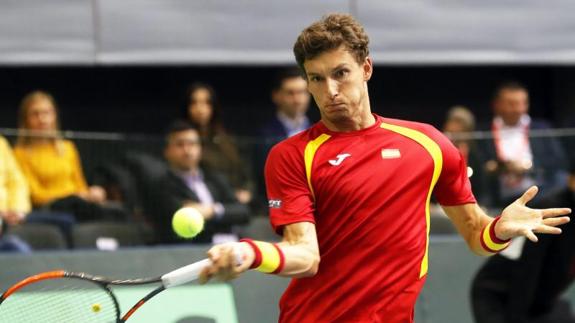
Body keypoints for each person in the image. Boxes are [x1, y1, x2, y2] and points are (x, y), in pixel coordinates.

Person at [198, 14, 571, 323]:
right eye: (316, 78)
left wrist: (499, 229)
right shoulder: (292, 155)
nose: (330, 90)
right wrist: (250, 254)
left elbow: (476, 235)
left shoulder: (429, 145)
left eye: (340, 73)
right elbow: (305, 256)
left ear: (366, 68)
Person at [471, 164, 575, 323]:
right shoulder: (553, 210)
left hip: (542, 301)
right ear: (571, 180)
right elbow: (528, 269)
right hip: (500, 296)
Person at [13, 90, 125, 222]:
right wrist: (73, 196)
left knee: (116, 211)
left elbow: (80, 185)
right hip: (50, 208)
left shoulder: (68, 148)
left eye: (47, 113)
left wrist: (90, 193)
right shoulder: (19, 153)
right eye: (35, 114)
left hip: (77, 204)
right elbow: (36, 195)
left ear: (54, 116)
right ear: (26, 120)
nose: (42, 119)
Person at [151, 121, 250, 244]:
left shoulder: (215, 178)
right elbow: (171, 222)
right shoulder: (162, 185)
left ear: (200, 148)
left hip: (233, 247)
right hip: (194, 251)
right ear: (167, 151)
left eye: (192, 144)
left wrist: (212, 210)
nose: (187, 150)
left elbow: (243, 212)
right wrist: (225, 214)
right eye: (180, 144)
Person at [481, 82, 568, 207]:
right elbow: (479, 164)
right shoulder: (484, 132)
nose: (518, 109)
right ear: (497, 105)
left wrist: (528, 166)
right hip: (498, 196)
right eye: (512, 104)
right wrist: (500, 167)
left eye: (523, 103)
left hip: (540, 196)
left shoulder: (541, 129)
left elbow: (559, 162)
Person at [184, 82, 253, 205]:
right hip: (207, 203)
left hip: (236, 204)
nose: (200, 109)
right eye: (194, 103)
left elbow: (245, 172)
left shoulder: (226, 139)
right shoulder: (184, 145)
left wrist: (247, 191)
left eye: (206, 103)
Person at [254, 68, 312, 209]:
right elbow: (262, 183)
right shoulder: (264, 136)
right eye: (290, 93)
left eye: (302, 92)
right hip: (277, 206)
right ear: (276, 96)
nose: (297, 99)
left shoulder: (320, 131)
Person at [443, 106, 486, 203]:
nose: (454, 128)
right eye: (452, 122)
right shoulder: (439, 151)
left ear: (468, 130)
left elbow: (480, 185)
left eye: (460, 124)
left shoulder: (475, 155)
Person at [0, 135, 32, 252]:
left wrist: (16, 209)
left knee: (17, 248)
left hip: (5, 221)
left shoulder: (1, 143)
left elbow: (17, 181)